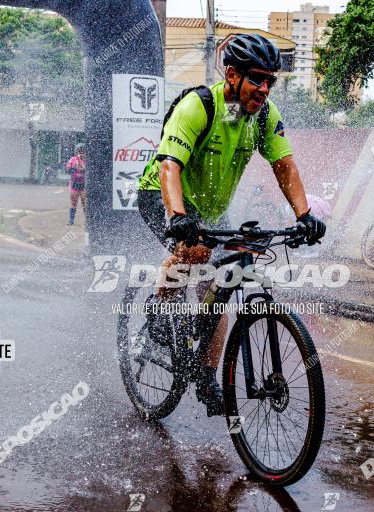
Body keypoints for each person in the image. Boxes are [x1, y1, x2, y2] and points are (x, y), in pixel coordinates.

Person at [136, 33, 326, 416]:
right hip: (163, 194)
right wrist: (178, 219)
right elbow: (169, 166)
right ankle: (158, 316)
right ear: (231, 74)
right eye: (257, 78)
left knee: (223, 281)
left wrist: (304, 217)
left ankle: (205, 377)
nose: (265, 88)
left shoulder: (262, 117)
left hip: (208, 208)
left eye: (270, 80)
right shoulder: (198, 106)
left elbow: (284, 166)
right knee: (195, 252)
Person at [65, 143, 86, 226]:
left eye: (83, 151)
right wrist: (73, 168)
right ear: (77, 151)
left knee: (85, 202)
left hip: (84, 184)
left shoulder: (88, 160)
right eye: (80, 151)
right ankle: (71, 220)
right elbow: (67, 170)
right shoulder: (73, 160)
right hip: (74, 184)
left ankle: (88, 221)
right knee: (73, 202)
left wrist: (84, 169)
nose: (81, 153)